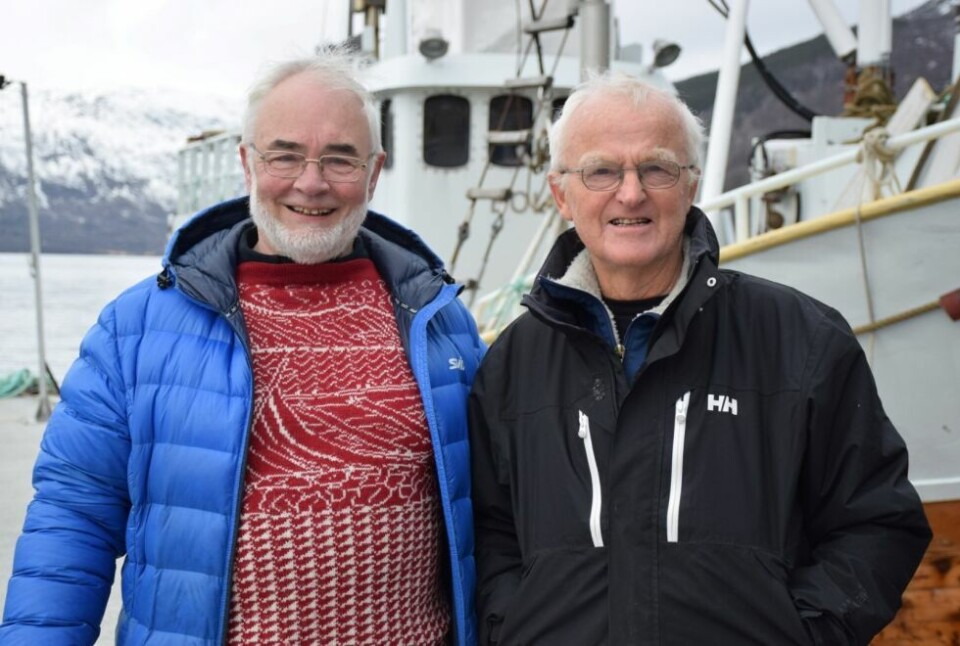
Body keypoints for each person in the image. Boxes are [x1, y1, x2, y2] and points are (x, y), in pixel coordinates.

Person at [0, 51, 483, 646]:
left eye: (340, 158)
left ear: (375, 170)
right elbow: (72, 520)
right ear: (247, 163)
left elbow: (488, 518)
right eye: (285, 155)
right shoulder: (138, 326)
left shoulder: (441, 324)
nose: (312, 182)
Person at [468, 72, 931, 645]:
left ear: (690, 186)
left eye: (657, 168)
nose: (631, 193)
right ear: (562, 193)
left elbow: (877, 520)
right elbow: (492, 537)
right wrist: (514, 629)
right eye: (602, 171)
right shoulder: (512, 367)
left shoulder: (800, 340)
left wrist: (804, 635)